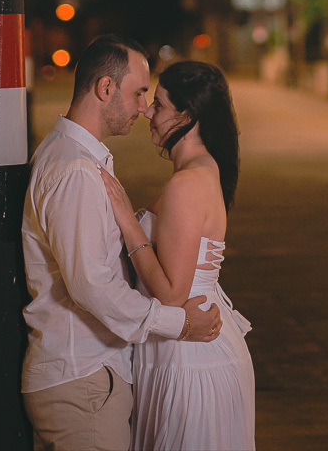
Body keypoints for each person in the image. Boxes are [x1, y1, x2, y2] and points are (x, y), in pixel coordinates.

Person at [21, 35, 221, 451]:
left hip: (90, 376)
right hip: (81, 378)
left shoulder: (77, 157)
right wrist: (180, 324)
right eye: (138, 93)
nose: (144, 108)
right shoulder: (74, 169)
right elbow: (92, 286)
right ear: (105, 88)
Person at [101, 60, 255, 451]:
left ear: (187, 116)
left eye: (159, 104)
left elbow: (172, 294)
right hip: (182, 347)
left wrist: (128, 221)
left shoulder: (188, 183)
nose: (147, 112)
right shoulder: (202, 169)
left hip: (192, 357)